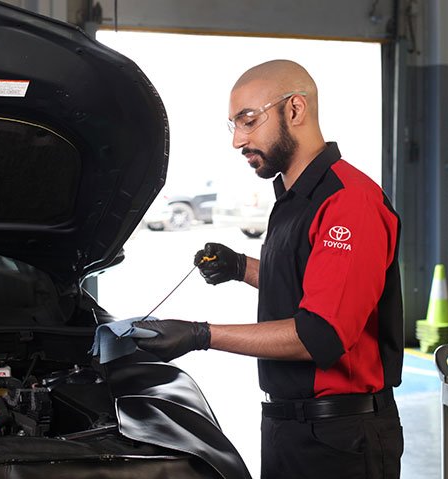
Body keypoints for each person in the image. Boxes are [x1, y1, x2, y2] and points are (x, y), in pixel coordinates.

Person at [134, 59, 404, 479]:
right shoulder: (294, 197)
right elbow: (311, 283)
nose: (238, 140)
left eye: (248, 121)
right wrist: (240, 267)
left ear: (295, 110)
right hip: (288, 426)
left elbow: (321, 333)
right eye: (234, 126)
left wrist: (200, 335)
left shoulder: (349, 202)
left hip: (341, 439)